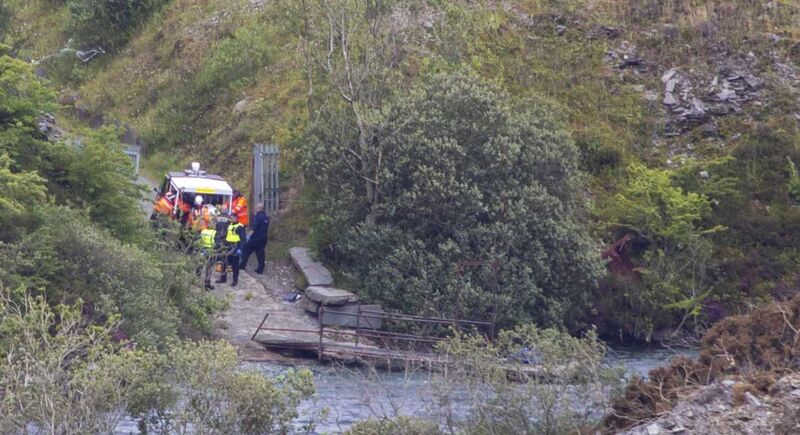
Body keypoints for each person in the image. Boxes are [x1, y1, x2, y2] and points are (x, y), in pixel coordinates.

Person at [215, 213, 246, 286]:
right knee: (224, 262)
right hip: (227, 245)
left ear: (237, 218)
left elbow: (243, 239)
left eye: (234, 218)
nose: (233, 219)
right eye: (232, 218)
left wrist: (240, 249)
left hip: (235, 246)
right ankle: (223, 278)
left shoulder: (240, 227)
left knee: (235, 264)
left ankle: (235, 280)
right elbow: (225, 235)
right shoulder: (229, 225)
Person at [240, 203, 269, 274]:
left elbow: (254, 228)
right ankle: (260, 269)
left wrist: (248, 236)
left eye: (256, 208)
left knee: (246, 250)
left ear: (259, 209)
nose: (255, 209)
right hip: (263, 238)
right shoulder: (266, 217)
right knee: (260, 253)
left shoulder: (257, 217)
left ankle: (242, 265)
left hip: (255, 238)